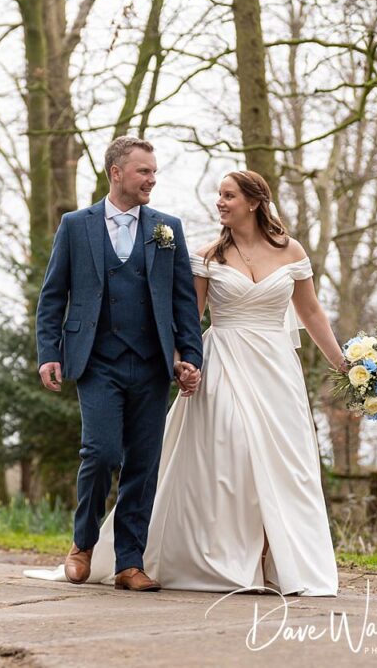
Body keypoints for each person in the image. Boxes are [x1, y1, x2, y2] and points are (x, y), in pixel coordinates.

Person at [28, 170, 344, 597]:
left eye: (228, 195)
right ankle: (229, 557)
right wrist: (182, 362)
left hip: (276, 370)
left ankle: (277, 560)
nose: (220, 202)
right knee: (232, 451)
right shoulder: (208, 256)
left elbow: (311, 314)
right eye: (219, 195)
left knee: (284, 462)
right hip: (224, 363)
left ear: (253, 201)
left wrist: (343, 364)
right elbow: (185, 318)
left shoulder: (292, 252)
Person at [33, 135, 204, 592]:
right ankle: (82, 543)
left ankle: (130, 563)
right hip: (97, 361)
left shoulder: (167, 228)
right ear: (116, 173)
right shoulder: (76, 225)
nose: (152, 179)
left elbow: (184, 301)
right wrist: (49, 352)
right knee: (102, 453)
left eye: (154, 171)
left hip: (151, 365)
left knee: (143, 464)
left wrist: (190, 356)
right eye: (143, 171)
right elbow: (53, 295)